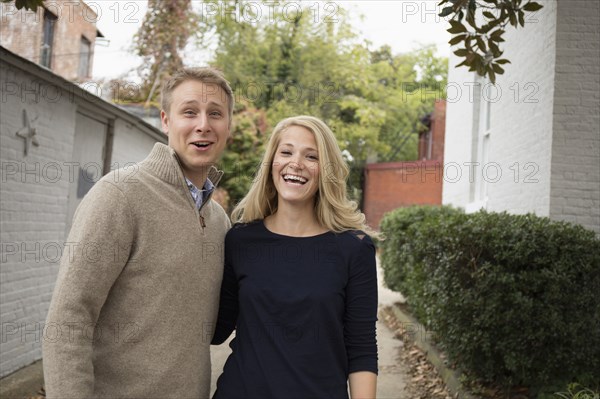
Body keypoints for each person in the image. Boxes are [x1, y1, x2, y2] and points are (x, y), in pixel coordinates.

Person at [43, 67, 234, 398]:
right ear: (165, 120)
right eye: (189, 111)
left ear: (227, 126)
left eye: (215, 113)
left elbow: (216, 328)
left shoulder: (219, 221)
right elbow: (68, 321)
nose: (203, 124)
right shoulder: (119, 195)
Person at [211, 115, 379, 398]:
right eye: (286, 152)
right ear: (272, 163)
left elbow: (361, 348)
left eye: (311, 156)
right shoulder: (241, 240)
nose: (296, 163)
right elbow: (215, 330)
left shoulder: (353, 249)